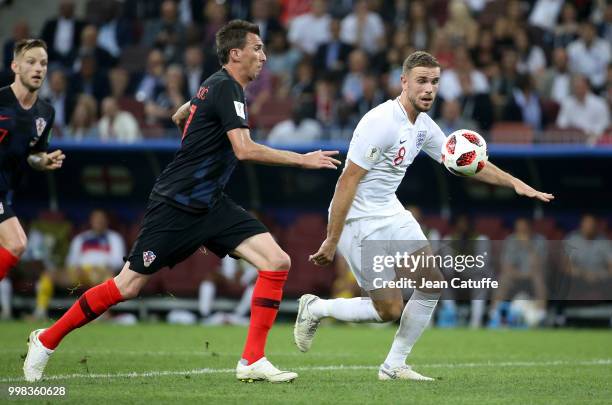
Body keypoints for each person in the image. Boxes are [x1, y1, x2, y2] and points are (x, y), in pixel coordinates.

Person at [24, 20, 340, 384]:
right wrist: (303, 159)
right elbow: (244, 149)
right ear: (235, 54)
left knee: (276, 261)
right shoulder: (226, 88)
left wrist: (195, 148)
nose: (264, 57)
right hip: (175, 205)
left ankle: (252, 359)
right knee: (127, 287)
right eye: (257, 49)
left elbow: (179, 115)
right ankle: (45, 340)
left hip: (210, 203)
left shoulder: (215, 84)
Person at [294, 51, 554, 381]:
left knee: (431, 284)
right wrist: (332, 238)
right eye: (421, 81)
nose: (429, 89)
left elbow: (464, 161)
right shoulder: (381, 123)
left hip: (389, 209)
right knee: (387, 310)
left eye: (434, 82)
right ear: (404, 82)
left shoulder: (424, 126)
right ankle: (315, 308)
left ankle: (394, 366)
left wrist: (516, 183)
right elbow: (348, 179)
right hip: (357, 219)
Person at [0, 39, 64, 282]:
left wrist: (43, 160)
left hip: (2, 191)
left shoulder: (46, 113)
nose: (39, 68)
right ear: (15, 66)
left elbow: (33, 154)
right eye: (31, 62)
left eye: (44, 63)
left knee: (16, 244)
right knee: (16, 242)